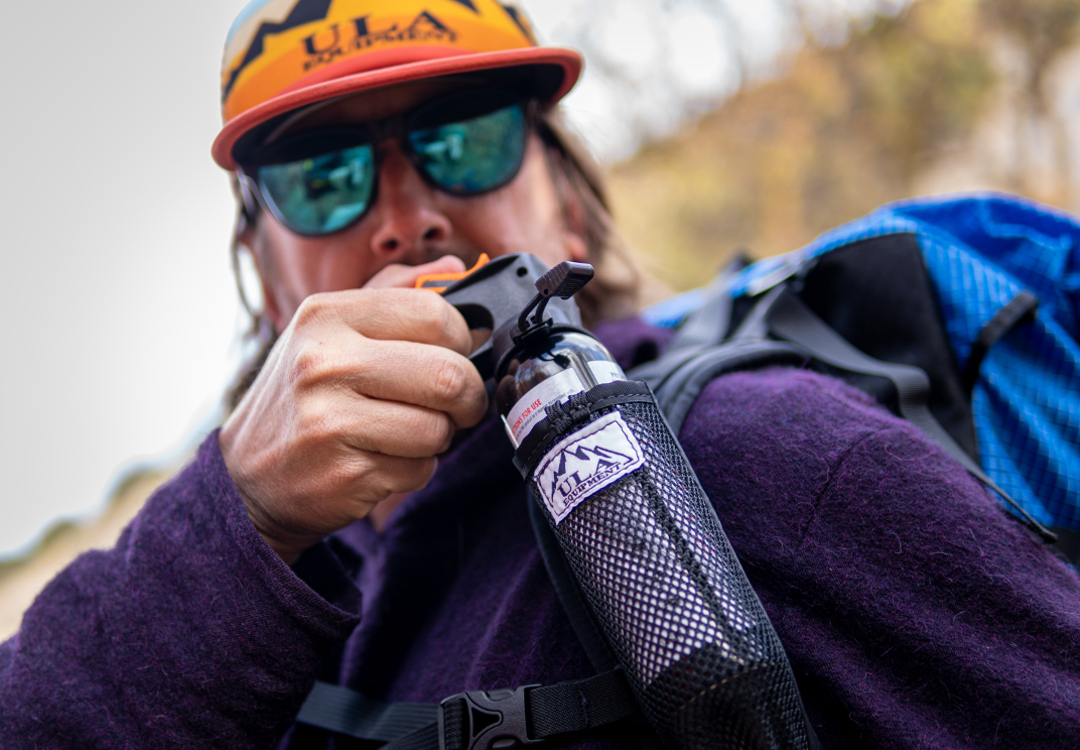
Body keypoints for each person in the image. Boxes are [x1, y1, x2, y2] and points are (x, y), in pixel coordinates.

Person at [2, 1, 1079, 748]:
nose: (406, 213)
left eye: (464, 140)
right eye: (322, 175)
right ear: (264, 268)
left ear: (566, 201)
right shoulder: (246, 594)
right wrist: (237, 523)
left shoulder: (758, 457)